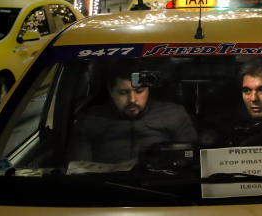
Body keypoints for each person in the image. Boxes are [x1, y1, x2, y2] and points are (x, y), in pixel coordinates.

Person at [69, 62, 198, 163]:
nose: (132, 100)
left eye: (139, 91)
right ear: (110, 91)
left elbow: (191, 161)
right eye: (123, 93)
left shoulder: (174, 115)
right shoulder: (90, 120)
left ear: (148, 88)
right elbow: (78, 169)